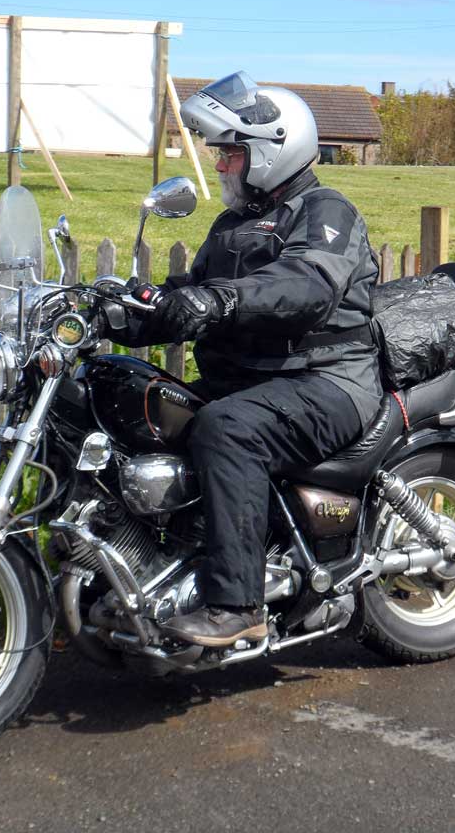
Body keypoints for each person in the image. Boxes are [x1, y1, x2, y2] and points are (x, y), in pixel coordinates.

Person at [118, 72, 382, 647]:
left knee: (227, 429)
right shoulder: (232, 225)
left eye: (230, 154)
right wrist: (128, 313)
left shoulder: (324, 211)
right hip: (254, 380)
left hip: (327, 382)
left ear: (270, 151)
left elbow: (307, 283)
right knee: (131, 401)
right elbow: (191, 296)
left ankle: (237, 604)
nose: (219, 167)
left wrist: (219, 299)